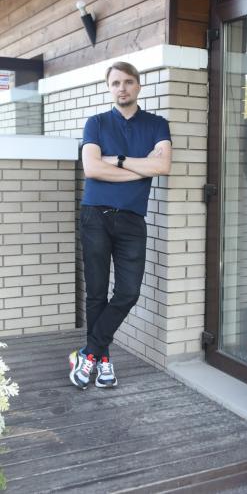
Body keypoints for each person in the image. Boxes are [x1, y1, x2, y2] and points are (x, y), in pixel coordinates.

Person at [69, 61, 172, 389]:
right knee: (97, 292)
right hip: (95, 216)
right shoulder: (96, 123)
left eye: (128, 82)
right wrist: (141, 169)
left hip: (132, 219)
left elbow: (163, 166)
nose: (122, 88)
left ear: (138, 85)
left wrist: (119, 160)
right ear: (109, 88)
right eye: (115, 83)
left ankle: (88, 352)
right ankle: (103, 360)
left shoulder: (157, 124)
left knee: (128, 292)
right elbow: (92, 169)